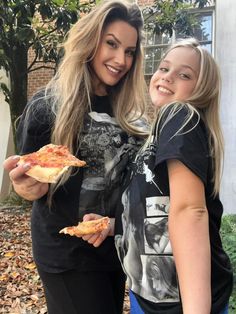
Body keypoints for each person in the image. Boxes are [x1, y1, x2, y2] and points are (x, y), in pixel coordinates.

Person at [3, 1, 149, 313]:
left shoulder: (129, 115)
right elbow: (31, 181)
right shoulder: (47, 106)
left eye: (129, 51)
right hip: (67, 256)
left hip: (115, 252)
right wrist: (25, 187)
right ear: (89, 40)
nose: (121, 59)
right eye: (111, 44)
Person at [112, 38, 233, 314]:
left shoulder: (180, 114)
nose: (167, 77)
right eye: (164, 68)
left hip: (182, 302)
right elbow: (156, 205)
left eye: (184, 75)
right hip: (148, 295)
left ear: (202, 89)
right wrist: (112, 225)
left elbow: (190, 210)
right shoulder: (155, 138)